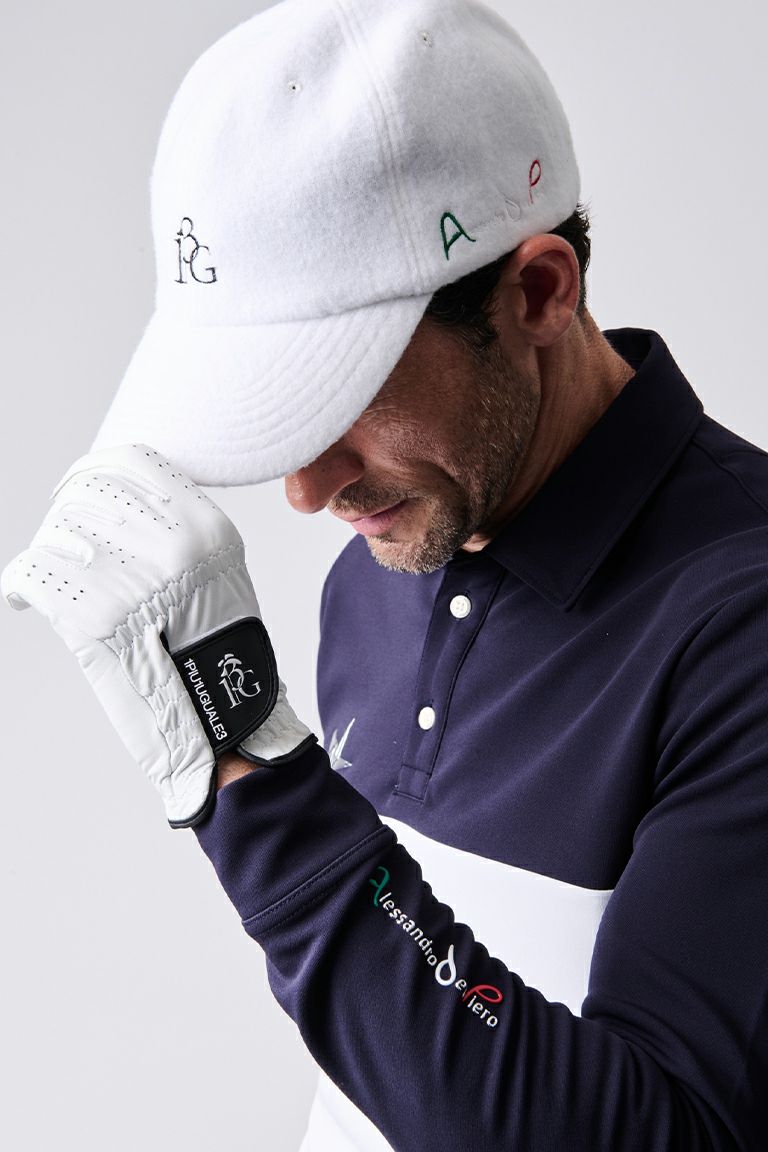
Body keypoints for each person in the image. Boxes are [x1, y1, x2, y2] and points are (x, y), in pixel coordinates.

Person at [3, 1, 767, 1149]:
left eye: (341, 392)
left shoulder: (742, 628)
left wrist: (256, 781)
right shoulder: (375, 573)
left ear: (539, 292)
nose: (307, 491)